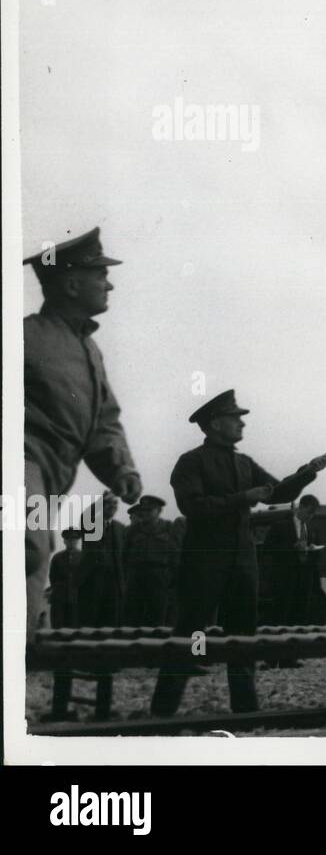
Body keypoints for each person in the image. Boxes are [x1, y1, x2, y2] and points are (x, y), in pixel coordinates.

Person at [150, 390, 326, 716]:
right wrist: (243, 496)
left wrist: (309, 471)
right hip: (204, 561)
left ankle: (246, 715)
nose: (242, 423)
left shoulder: (244, 462)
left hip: (243, 563)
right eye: (236, 418)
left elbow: (280, 491)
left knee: (244, 638)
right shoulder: (191, 462)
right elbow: (192, 506)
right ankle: (161, 715)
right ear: (215, 424)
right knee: (188, 633)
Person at [23, 228, 142, 634]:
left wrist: (121, 469)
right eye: (99, 275)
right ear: (71, 283)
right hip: (20, 465)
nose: (109, 283)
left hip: (51, 477)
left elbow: (102, 421)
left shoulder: (89, 350)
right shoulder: (25, 337)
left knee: (33, 562)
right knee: (29, 544)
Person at [73, 493, 128, 719]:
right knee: (90, 620)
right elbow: (86, 518)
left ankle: (107, 662)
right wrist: (98, 505)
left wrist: (121, 583)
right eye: (107, 504)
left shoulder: (119, 528)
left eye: (115, 504)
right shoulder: (91, 521)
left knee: (109, 622)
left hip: (112, 581)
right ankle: (88, 660)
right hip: (92, 580)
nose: (112, 507)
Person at [263, 495, 326, 666]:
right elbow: (268, 548)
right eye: (310, 512)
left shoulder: (312, 530)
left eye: (313, 514)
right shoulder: (280, 526)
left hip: (303, 580)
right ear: (301, 507)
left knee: (298, 619)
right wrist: (292, 548)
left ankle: (288, 659)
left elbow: (317, 557)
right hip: (284, 579)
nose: (311, 516)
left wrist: (313, 550)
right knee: (279, 618)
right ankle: (270, 660)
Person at [43, 530, 84, 721]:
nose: (71, 542)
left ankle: (73, 657)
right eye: (68, 539)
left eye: (74, 539)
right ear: (64, 541)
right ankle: (61, 657)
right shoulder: (57, 558)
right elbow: (52, 577)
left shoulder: (84, 557)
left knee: (74, 633)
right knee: (60, 632)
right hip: (60, 600)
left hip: (76, 601)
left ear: (78, 541)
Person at [124, 495, 179, 627]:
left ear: (159, 511)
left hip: (159, 576)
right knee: (133, 615)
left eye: (150, 510)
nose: (145, 513)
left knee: (157, 615)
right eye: (143, 510)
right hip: (136, 576)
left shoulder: (169, 528)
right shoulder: (133, 530)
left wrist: (172, 578)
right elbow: (124, 555)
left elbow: (175, 554)